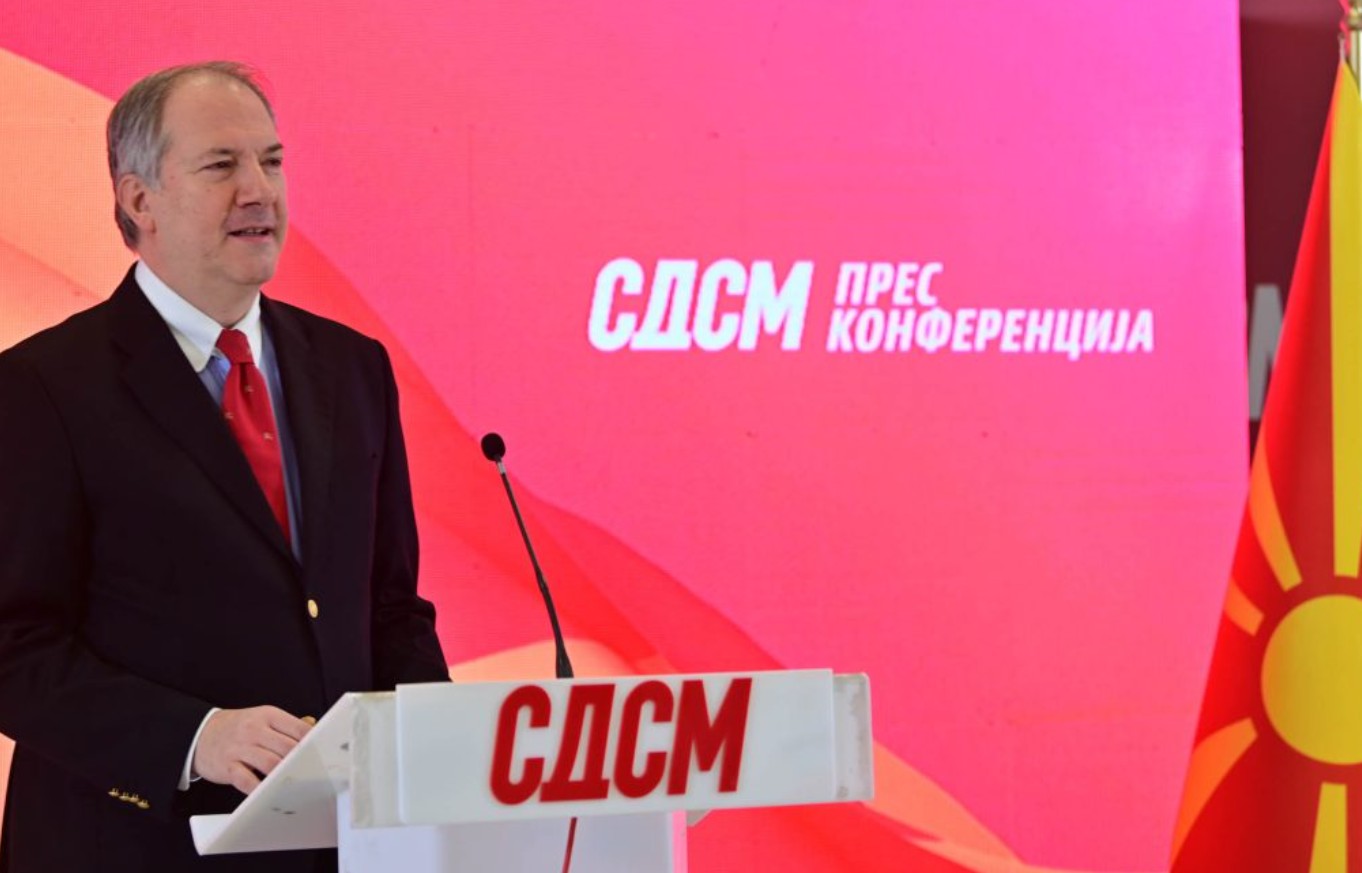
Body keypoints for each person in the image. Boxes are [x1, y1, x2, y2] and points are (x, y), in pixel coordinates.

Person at [0, 62, 449, 871]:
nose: (259, 191)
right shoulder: (41, 388)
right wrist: (194, 736)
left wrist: (438, 752)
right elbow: (14, 645)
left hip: (336, 848)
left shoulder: (352, 369)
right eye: (221, 165)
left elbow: (389, 605)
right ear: (140, 200)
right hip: (135, 847)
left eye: (271, 161)